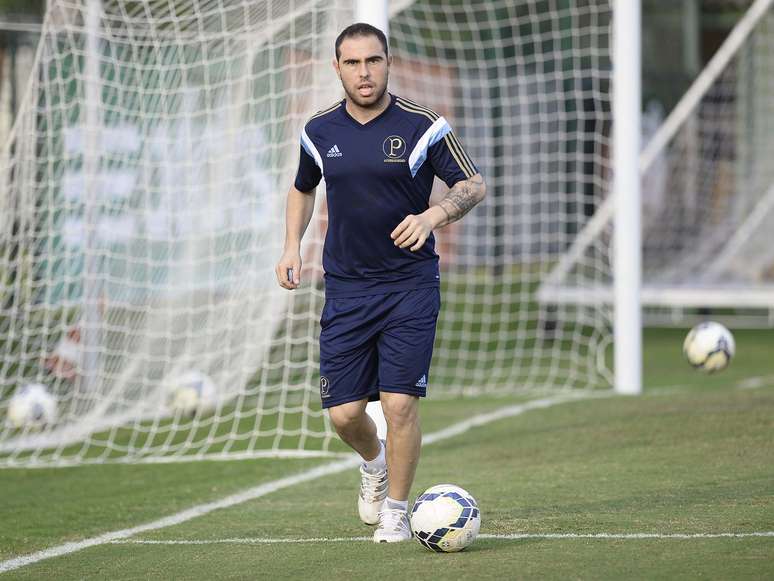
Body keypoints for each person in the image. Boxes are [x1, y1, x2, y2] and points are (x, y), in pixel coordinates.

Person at [275, 22, 485, 543]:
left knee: (398, 404)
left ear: (388, 63)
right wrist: (290, 246)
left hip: (409, 286)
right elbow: (303, 189)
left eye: (373, 61)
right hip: (346, 288)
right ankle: (374, 463)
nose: (364, 73)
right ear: (337, 68)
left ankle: (396, 509)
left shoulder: (423, 125)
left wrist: (432, 216)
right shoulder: (319, 131)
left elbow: (472, 183)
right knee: (346, 416)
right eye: (353, 63)